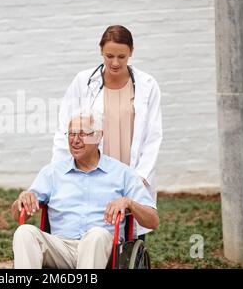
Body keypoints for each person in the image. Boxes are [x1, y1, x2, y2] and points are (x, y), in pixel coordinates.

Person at [51, 25, 162, 239]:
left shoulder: (147, 86)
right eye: (109, 55)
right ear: (101, 50)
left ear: (131, 51)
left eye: (122, 56)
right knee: (93, 226)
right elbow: (65, 128)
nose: (115, 63)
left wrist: (139, 178)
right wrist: (61, 171)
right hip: (93, 169)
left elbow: (153, 136)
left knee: (130, 232)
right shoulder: (83, 82)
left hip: (130, 171)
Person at [11, 114, 158, 269]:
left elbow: (153, 221)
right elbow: (17, 215)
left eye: (82, 134)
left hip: (104, 249)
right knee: (24, 232)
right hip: (61, 247)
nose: (75, 140)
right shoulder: (52, 173)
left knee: (96, 235)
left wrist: (129, 203)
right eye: (72, 134)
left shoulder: (123, 173)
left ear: (98, 136)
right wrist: (22, 199)